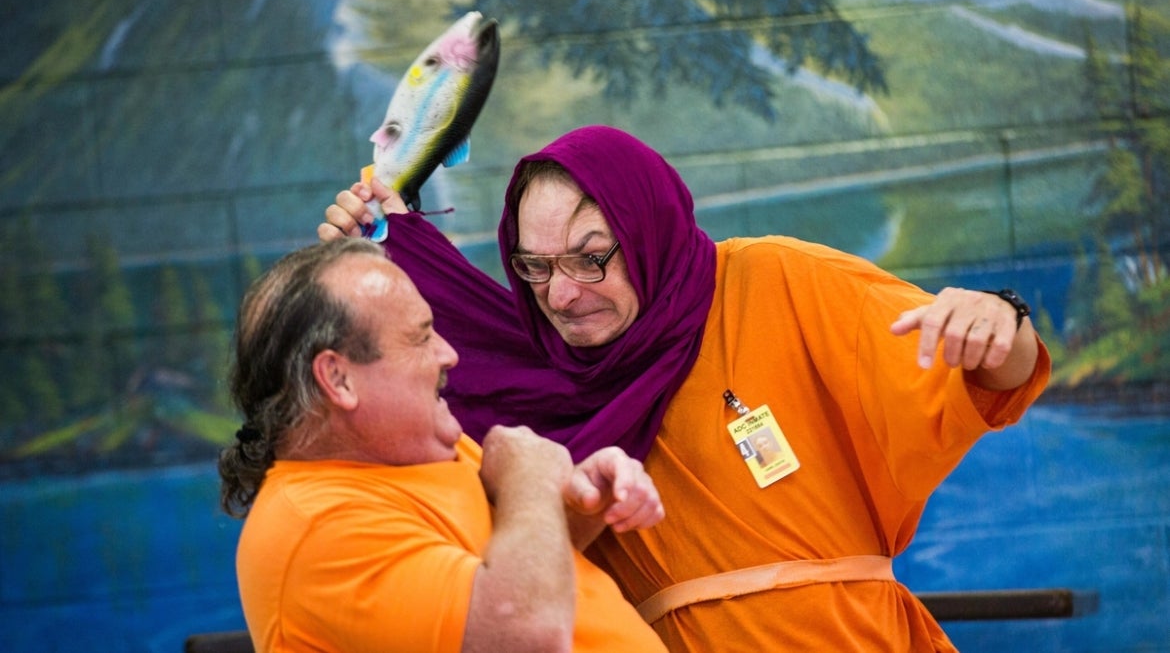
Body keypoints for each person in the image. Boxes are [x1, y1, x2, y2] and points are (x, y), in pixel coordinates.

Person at [319, 125, 1051, 651]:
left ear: (649, 230)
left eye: (593, 257)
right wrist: (377, 246)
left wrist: (1001, 321)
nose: (563, 295)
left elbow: (985, 373)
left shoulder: (776, 281)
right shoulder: (534, 375)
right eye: (534, 269)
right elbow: (428, 348)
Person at [217, 237, 669, 653]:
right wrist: (530, 480)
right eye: (420, 336)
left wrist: (577, 504)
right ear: (338, 378)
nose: (448, 354)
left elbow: (514, 567)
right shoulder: (316, 529)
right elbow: (525, 636)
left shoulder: (411, 448)